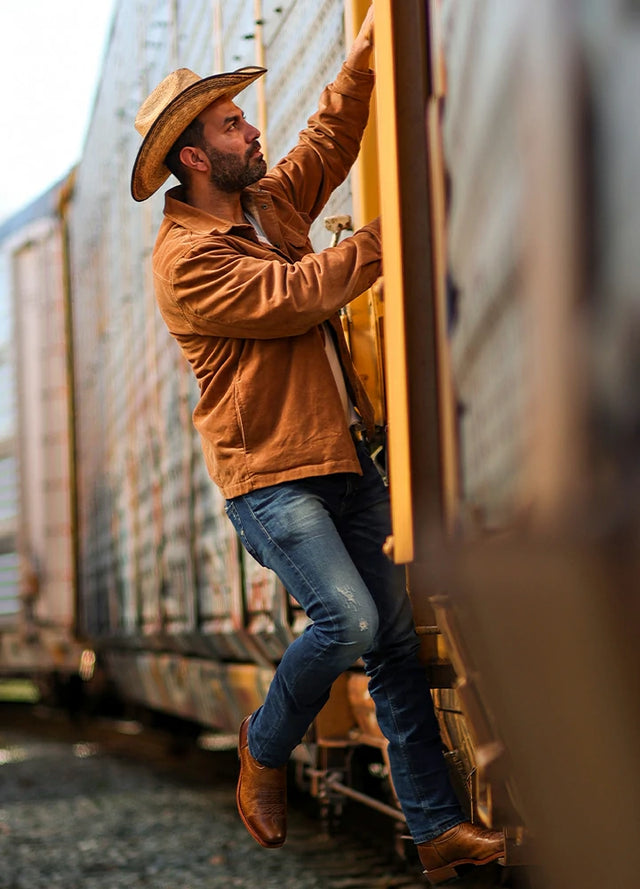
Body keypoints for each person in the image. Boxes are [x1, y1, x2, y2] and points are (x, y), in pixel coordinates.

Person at [131, 5, 503, 883]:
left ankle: (439, 828)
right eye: (232, 124)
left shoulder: (265, 200)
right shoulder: (185, 259)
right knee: (349, 620)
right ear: (195, 155)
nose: (250, 129)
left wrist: (368, 56)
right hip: (271, 478)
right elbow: (294, 295)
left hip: (344, 456)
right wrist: (398, 229)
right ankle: (263, 748)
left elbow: (326, 144)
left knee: (395, 650)